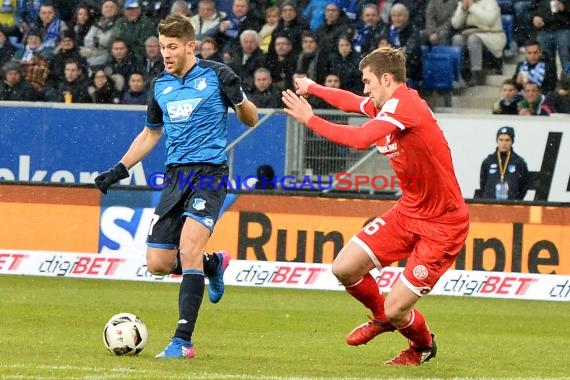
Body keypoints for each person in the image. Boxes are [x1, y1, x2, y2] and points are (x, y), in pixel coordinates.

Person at [282, 46, 469, 366]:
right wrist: (312, 88)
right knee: (344, 267)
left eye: (368, 81)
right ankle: (381, 317)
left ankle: (421, 346)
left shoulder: (406, 105)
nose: (365, 88)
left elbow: (359, 139)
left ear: (386, 78)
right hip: (409, 211)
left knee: (400, 309)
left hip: (443, 224)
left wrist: (310, 119)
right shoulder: (389, 104)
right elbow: (351, 102)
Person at [94, 13, 258, 359]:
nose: (165, 53)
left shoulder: (216, 76)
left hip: (209, 175)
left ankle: (183, 341)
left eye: (172, 47)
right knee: (157, 263)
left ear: (189, 46)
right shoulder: (160, 87)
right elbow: (151, 133)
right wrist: (118, 169)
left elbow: (251, 118)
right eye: (162, 46)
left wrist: (240, 101)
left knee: (189, 249)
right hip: (175, 178)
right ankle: (213, 265)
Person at [478, 126, 529, 200]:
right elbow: (483, 184)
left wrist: (516, 199)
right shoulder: (488, 161)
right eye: (501, 140)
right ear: (497, 141)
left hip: (511, 205)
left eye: (507, 140)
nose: (504, 143)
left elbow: (524, 185)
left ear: (512, 141)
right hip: (491, 205)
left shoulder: (519, 162)